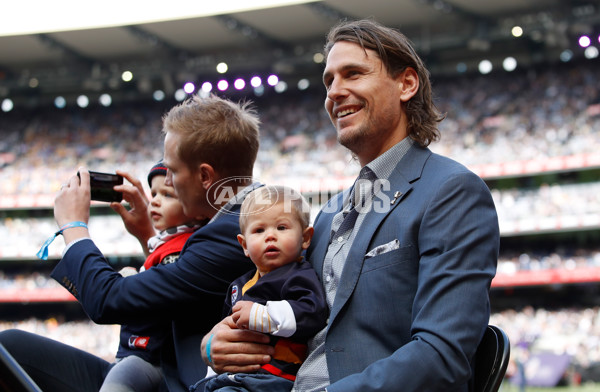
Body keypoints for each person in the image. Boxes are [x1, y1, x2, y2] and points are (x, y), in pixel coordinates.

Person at [200, 18, 500, 392]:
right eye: (329, 81)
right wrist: (215, 344)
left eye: (353, 74)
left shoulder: (451, 192)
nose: (335, 92)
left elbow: (442, 355)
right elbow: (286, 304)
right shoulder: (325, 215)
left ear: (406, 84)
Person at [0, 94, 262, 392]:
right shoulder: (241, 216)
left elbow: (109, 300)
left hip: (173, 383)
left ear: (204, 175)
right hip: (158, 374)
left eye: (172, 171)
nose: (169, 182)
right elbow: (184, 283)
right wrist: (147, 236)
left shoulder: (233, 234)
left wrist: (74, 228)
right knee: (10, 347)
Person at [197, 185, 328, 392]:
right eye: (259, 230)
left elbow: (312, 312)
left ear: (305, 238)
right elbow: (226, 330)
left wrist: (261, 315)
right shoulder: (237, 286)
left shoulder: (298, 275)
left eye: (281, 228)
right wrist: (214, 368)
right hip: (239, 375)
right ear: (244, 245)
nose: (270, 236)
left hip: (276, 375)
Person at [100, 160, 203, 392]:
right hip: (140, 353)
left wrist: (127, 281)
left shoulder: (186, 247)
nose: (155, 200)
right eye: (154, 193)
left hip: (150, 356)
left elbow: (155, 295)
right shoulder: (168, 242)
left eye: (168, 195)